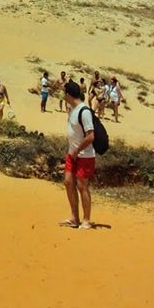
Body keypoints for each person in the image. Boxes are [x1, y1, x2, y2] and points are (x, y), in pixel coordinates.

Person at [59, 81, 95, 230]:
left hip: (84, 155)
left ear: (68, 94)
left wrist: (77, 150)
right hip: (71, 154)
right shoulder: (73, 109)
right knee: (68, 182)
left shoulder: (84, 111)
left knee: (82, 186)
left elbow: (90, 136)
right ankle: (74, 217)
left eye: (64, 93)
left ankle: (86, 219)